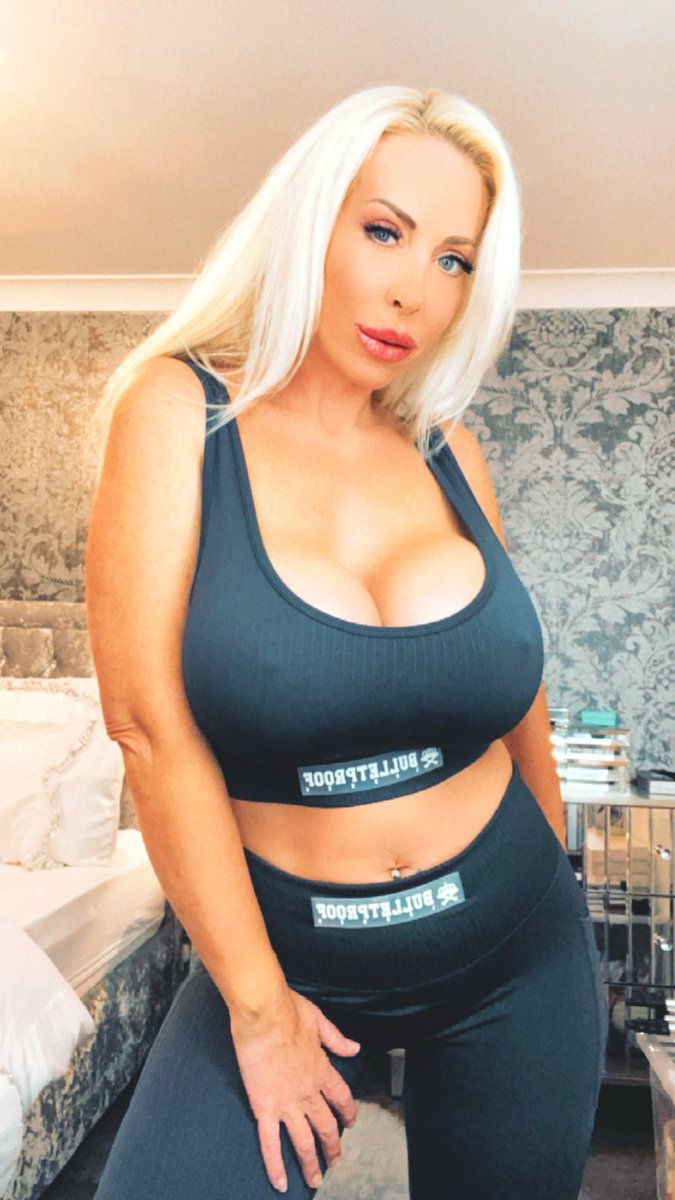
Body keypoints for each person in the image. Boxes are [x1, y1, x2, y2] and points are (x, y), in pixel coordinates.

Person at [85, 84, 607, 1200]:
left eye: (455, 259)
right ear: (310, 221)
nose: (416, 289)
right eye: (384, 231)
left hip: (517, 948)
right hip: (285, 959)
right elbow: (146, 730)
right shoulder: (179, 412)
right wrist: (259, 1010)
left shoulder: (449, 452)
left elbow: (519, 703)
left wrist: (554, 878)